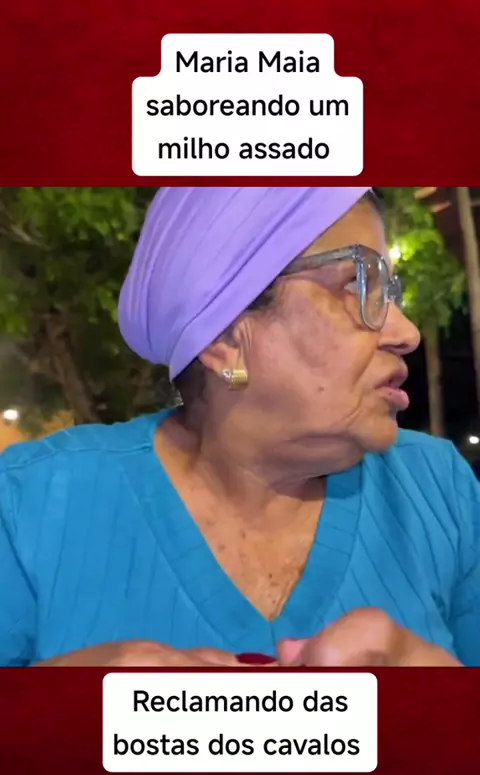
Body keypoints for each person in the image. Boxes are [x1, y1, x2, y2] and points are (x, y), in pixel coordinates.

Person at [0, 186, 478, 668]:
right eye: (358, 285)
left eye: (390, 292)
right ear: (226, 338)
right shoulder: (30, 505)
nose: (406, 333)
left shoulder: (439, 490)